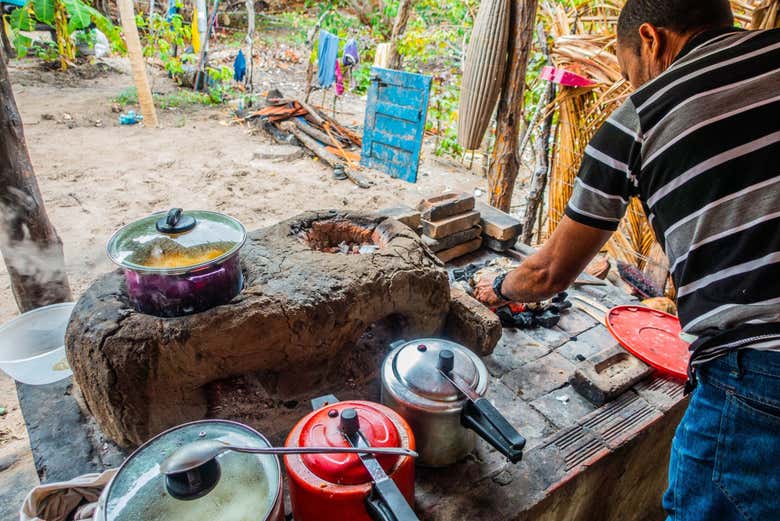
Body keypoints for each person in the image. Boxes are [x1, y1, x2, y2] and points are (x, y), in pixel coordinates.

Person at [474, 1, 780, 519]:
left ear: (651, 40)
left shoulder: (641, 117)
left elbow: (549, 272)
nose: (632, 85)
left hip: (759, 373)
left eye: (628, 69)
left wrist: (499, 287)